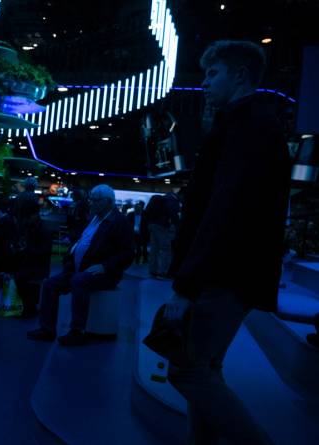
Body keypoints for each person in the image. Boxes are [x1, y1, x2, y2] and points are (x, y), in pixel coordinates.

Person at [164, 41, 290, 445]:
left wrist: (187, 284)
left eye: (212, 73)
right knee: (206, 367)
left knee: (187, 371)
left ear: (239, 74)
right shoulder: (247, 123)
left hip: (224, 274)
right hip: (229, 272)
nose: (204, 83)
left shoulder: (249, 126)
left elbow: (224, 211)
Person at [27, 184, 134, 346]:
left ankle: (77, 331)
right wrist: (69, 260)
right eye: (92, 199)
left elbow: (127, 253)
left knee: (79, 281)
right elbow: (81, 242)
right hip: (80, 269)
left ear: (108, 201)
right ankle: (47, 329)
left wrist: (105, 266)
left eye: (96, 200)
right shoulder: (95, 218)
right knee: (49, 284)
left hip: (104, 273)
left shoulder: (119, 222)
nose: (92, 203)